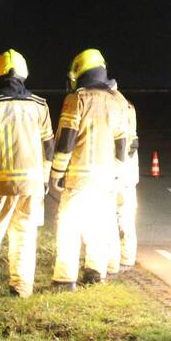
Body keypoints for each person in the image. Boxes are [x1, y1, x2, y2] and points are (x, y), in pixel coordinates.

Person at [0, 50, 54, 297]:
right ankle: (22, 287)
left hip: (0, 184)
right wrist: (45, 179)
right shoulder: (40, 105)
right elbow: (49, 147)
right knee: (25, 235)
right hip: (33, 184)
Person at [50, 49, 128, 289]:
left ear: (79, 71)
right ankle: (95, 272)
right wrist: (116, 173)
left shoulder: (77, 99)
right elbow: (122, 143)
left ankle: (65, 279)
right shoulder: (118, 100)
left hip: (78, 179)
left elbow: (66, 141)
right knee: (99, 225)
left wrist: (56, 174)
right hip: (105, 179)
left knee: (69, 228)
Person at [107, 80, 140, 274]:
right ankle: (127, 258)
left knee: (113, 215)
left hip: (117, 170)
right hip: (128, 171)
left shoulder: (116, 108)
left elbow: (120, 141)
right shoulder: (129, 106)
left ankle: (115, 259)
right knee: (126, 215)